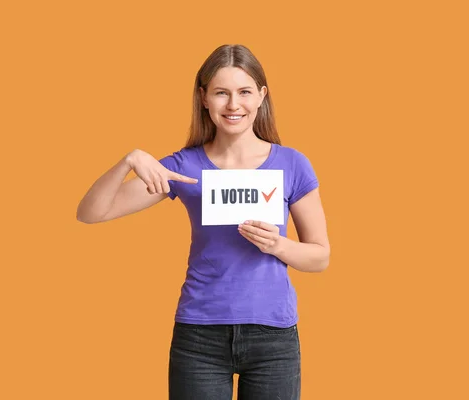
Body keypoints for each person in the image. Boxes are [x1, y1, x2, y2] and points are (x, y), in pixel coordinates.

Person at [76, 44, 330, 400]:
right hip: (200, 337)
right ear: (204, 98)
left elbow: (320, 257)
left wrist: (278, 245)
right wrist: (129, 160)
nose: (233, 105)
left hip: (273, 336)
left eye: (244, 92)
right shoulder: (183, 167)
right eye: (221, 93)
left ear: (261, 96)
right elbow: (90, 213)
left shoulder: (293, 164)